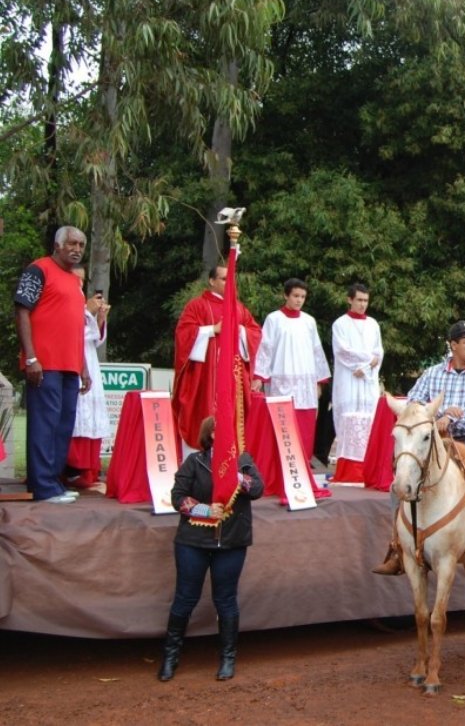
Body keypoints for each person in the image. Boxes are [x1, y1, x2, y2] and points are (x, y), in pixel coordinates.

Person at [372, 319, 465, 575]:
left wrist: (453, 418)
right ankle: (397, 546)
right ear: (453, 345)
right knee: (396, 486)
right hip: (433, 442)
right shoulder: (432, 373)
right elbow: (413, 405)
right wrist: (439, 415)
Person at [158, 416, 264, 682]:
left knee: (226, 600)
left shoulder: (244, 461)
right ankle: (170, 658)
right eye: (224, 430)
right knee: (185, 598)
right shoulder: (194, 461)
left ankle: (228, 659)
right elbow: (177, 497)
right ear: (213, 435)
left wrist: (235, 476)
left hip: (231, 542)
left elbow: (258, 489)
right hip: (193, 541)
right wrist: (204, 509)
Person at [14, 226, 90, 503]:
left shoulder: (74, 281)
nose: (77, 249)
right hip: (44, 364)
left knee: (63, 425)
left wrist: (83, 366)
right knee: (44, 424)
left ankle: (54, 483)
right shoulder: (38, 270)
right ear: (57, 245)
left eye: (81, 244)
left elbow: (75, 327)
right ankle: (42, 486)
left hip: (70, 365)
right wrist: (31, 357)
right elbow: (22, 311)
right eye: (72, 243)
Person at [172, 265, 262, 456]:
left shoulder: (239, 309)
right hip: (205, 377)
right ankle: (199, 462)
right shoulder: (197, 305)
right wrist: (212, 330)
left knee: (231, 417)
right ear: (212, 281)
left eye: (231, 279)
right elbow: (183, 334)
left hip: (232, 377)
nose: (229, 283)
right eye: (223, 279)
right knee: (204, 413)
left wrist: (240, 331)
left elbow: (255, 333)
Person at [252, 278, 332, 462]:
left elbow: (316, 351)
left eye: (303, 297)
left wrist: (319, 381)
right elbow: (265, 348)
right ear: (286, 295)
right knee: (282, 426)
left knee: (304, 428)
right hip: (281, 380)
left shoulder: (309, 321)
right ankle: (279, 468)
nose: (299, 300)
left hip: (305, 384)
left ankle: (302, 468)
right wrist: (259, 376)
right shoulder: (274, 319)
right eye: (295, 295)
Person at [330, 283, 383, 481]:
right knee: (348, 419)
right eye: (359, 300)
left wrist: (368, 367)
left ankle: (369, 468)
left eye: (366, 301)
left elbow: (379, 353)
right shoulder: (340, 324)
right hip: (349, 379)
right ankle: (347, 471)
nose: (363, 304)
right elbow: (342, 351)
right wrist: (365, 363)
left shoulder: (373, 324)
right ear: (349, 299)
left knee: (369, 419)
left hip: (368, 381)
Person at [65, 267, 110, 489]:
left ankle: (88, 468)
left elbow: (94, 340)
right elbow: (69, 330)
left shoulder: (82, 301)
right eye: (76, 279)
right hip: (72, 360)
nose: (79, 284)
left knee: (91, 410)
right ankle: (72, 468)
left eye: (82, 280)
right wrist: (87, 312)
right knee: (76, 413)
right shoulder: (66, 300)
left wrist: (99, 319)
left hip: (89, 359)